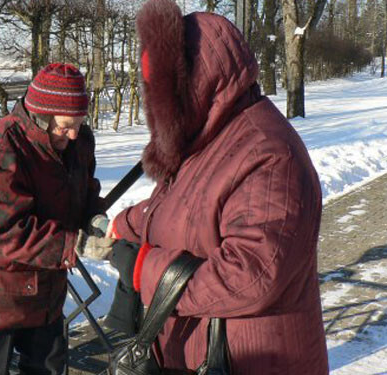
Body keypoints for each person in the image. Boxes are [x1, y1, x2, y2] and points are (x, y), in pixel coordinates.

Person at [108, 1, 329, 374]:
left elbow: (252, 273)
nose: (162, 111)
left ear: (199, 85)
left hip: (254, 358)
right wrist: (126, 223)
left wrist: (145, 268)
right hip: (201, 355)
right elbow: (185, 206)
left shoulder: (270, 154)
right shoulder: (209, 138)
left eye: (167, 96)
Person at [0, 63, 114, 375]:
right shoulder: (3, 148)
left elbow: (86, 189)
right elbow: (8, 230)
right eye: (66, 125)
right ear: (42, 115)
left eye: (80, 122)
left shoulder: (78, 142)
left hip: (45, 289)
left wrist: (95, 218)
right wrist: (75, 244)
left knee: (49, 367)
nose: (74, 133)